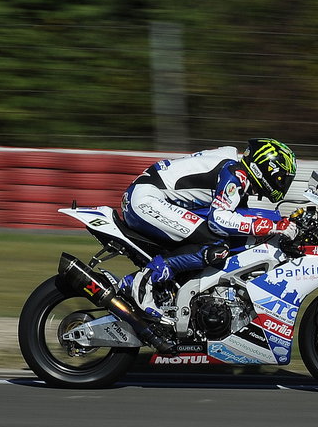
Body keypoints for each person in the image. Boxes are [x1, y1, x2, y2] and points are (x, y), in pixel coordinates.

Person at [116, 138, 300, 321]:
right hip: (147, 200)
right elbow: (218, 220)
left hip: (150, 196)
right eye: (281, 177)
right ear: (266, 168)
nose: (282, 183)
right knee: (215, 246)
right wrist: (272, 226)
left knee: (220, 241)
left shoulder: (235, 170)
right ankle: (142, 282)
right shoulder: (235, 173)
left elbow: (237, 217)